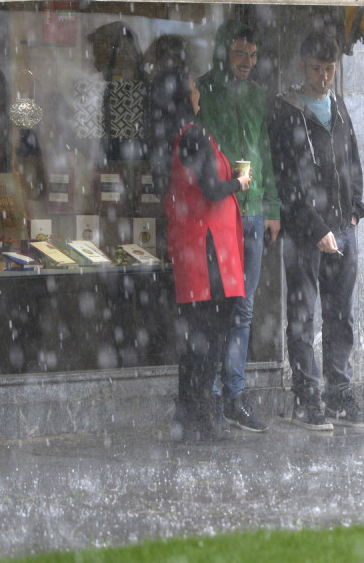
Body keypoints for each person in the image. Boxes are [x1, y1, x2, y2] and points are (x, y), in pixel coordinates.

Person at [267, 30, 364, 430]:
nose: (324, 77)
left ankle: (339, 396)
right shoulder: (286, 110)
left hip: (343, 226)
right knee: (303, 315)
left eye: (330, 69)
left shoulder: (339, 106)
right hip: (303, 232)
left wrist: (355, 211)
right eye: (316, 69)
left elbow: (353, 161)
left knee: (341, 315)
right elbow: (287, 179)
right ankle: (306, 399)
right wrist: (315, 226)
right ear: (303, 66)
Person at [151, 39, 252, 442]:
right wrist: (240, 182)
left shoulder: (174, 136)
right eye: (193, 87)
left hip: (193, 248)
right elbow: (211, 188)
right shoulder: (194, 134)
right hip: (209, 251)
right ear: (184, 94)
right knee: (209, 338)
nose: (198, 92)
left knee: (196, 338)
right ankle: (201, 415)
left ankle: (188, 414)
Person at [196, 20, 280, 433]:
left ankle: (234, 395)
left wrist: (272, 206)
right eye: (239, 54)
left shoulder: (258, 95)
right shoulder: (204, 90)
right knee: (218, 308)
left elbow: (265, 151)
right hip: (220, 211)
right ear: (222, 53)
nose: (247, 63)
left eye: (253, 56)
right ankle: (210, 395)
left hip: (253, 210)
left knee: (243, 308)